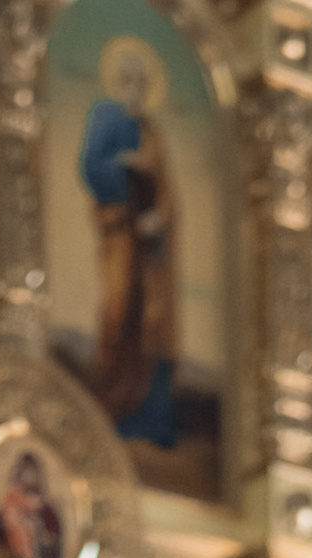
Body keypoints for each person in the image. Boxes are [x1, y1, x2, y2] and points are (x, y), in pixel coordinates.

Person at [82, 36, 177, 449]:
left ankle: (142, 411)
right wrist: (123, 164)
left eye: (141, 81)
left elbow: (166, 187)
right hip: (121, 233)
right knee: (120, 312)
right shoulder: (106, 116)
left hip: (149, 244)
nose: (135, 87)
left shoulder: (151, 129)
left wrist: (162, 215)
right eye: (128, 79)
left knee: (149, 321)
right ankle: (112, 401)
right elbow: (90, 165)